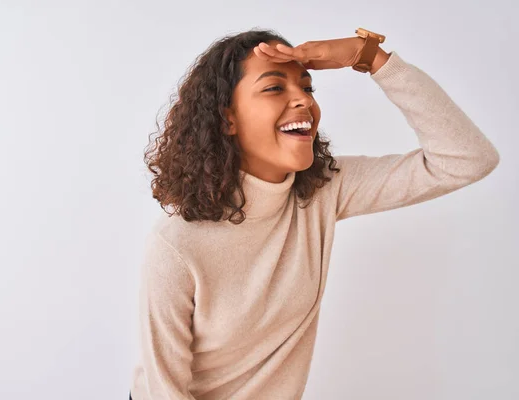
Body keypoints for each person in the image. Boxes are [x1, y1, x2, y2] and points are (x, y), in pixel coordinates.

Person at [129, 28, 500, 400]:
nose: (303, 102)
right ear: (228, 119)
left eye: (307, 88)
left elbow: (466, 159)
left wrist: (372, 58)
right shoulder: (177, 245)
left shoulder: (321, 191)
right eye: (275, 88)